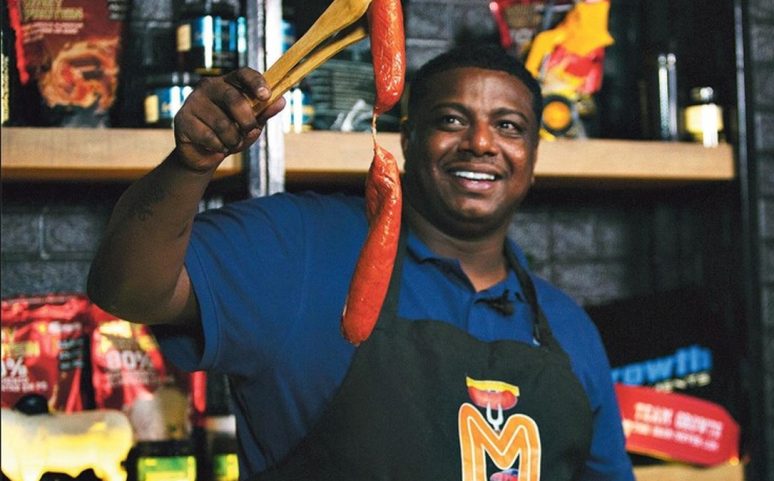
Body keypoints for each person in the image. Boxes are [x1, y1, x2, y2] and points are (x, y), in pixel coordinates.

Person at [88, 43, 635, 480]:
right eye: (452, 119)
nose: (482, 143)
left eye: (509, 126)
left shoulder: (568, 327)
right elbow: (128, 289)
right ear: (409, 139)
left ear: (533, 160)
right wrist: (191, 164)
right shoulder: (302, 245)